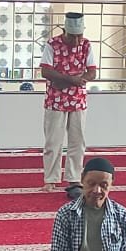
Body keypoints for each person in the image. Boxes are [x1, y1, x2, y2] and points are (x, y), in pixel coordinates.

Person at [40, 11, 97, 194]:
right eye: (73, 36)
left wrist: (70, 81)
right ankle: (51, 179)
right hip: (55, 100)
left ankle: (74, 178)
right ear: (65, 32)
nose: (77, 40)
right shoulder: (52, 44)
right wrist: (71, 79)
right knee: (53, 142)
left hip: (78, 100)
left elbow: (92, 72)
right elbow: (46, 71)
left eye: (79, 35)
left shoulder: (86, 45)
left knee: (77, 142)